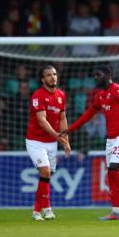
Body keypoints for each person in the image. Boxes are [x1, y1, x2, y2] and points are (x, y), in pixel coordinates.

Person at [63, 65, 119, 220]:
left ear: (109, 74)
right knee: (111, 174)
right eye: (94, 75)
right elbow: (88, 115)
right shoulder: (100, 95)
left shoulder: (117, 90)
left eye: (99, 75)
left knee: (114, 169)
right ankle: (115, 211)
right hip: (111, 138)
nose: (95, 78)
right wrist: (69, 130)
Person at [26, 65, 71, 221]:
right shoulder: (38, 96)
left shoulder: (61, 95)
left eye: (54, 74)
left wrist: (65, 141)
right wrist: (58, 136)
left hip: (52, 143)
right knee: (45, 172)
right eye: (49, 75)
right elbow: (42, 120)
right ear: (42, 79)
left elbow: (62, 118)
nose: (53, 77)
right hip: (35, 141)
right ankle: (42, 210)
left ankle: (41, 210)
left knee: (47, 175)